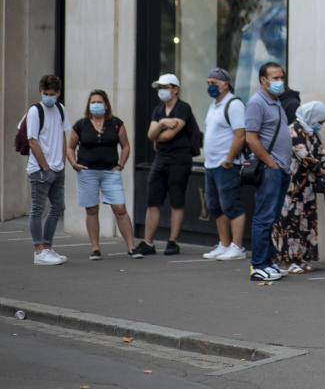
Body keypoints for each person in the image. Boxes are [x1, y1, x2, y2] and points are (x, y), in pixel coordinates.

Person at [65, 89, 139, 260]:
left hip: (110, 172)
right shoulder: (81, 125)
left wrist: (120, 165)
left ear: (106, 105)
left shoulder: (116, 123)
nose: (96, 105)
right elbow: (70, 146)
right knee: (91, 209)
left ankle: (131, 246)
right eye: (93, 102)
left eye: (99, 102)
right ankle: (95, 248)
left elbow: (126, 146)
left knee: (120, 208)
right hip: (87, 172)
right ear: (88, 105)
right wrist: (74, 163)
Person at [135, 73, 196, 257]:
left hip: (179, 159)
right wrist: (162, 123)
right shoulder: (159, 110)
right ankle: (148, 241)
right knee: (153, 200)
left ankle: (173, 241)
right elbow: (150, 134)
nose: (161, 91)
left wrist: (158, 132)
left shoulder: (183, 108)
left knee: (176, 201)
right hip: (161, 158)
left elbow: (168, 135)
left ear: (175, 89)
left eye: (165, 87)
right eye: (159, 88)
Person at [273, 101, 325, 273]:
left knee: (305, 222)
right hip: (292, 187)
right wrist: (323, 171)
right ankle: (287, 261)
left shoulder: (311, 133)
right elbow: (305, 157)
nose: (320, 125)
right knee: (290, 222)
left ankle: (301, 258)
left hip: (307, 187)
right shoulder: (292, 131)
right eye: (319, 121)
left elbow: (321, 152)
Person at [245, 62, 294, 281]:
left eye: (281, 77)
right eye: (275, 78)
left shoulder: (276, 102)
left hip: (281, 168)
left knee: (272, 218)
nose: (279, 81)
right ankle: (258, 265)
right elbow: (251, 138)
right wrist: (270, 162)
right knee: (264, 218)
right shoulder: (257, 103)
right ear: (263, 80)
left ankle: (269, 262)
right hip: (269, 169)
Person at [24, 74, 71, 265]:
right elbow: (32, 141)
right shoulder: (35, 111)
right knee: (37, 209)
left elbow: (62, 134)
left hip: (57, 168)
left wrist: (62, 163)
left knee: (58, 207)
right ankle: (38, 251)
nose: (48, 97)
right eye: (45, 94)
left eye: (52, 94)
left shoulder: (60, 109)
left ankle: (47, 247)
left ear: (58, 93)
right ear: (41, 92)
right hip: (40, 169)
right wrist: (45, 167)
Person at [201, 68, 247, 261]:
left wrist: (229, 158)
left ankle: (237, 246)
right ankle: (224, 243)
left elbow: (240, 134)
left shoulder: (234, 104)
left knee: (231, 204)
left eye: (214, 82)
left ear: (225, 84)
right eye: (208, 82)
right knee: (215, 206)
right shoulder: (214, 105)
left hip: (226, 164)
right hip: (211, 165)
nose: (210, 86)